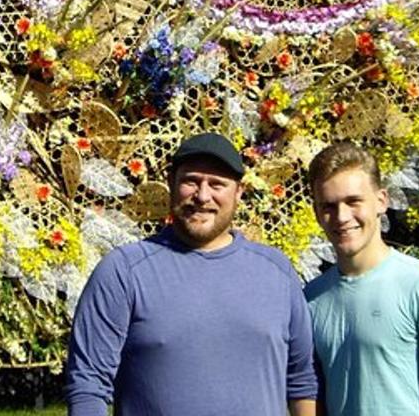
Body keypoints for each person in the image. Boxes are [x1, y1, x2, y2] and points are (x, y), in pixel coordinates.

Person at [64, 132, 318, 416]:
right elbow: (88, 386)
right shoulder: (124, 272)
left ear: (239, 192)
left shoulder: (276, 272)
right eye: (191, 181)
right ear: (171, 182)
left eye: (217, 184)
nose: (203, 195)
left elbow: (301, 381)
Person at [305, 142, 419, 416]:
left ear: (381, 201)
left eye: (353, 201)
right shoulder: (310, 298)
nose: (341, 217)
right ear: (316, 213)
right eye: (328, 206)